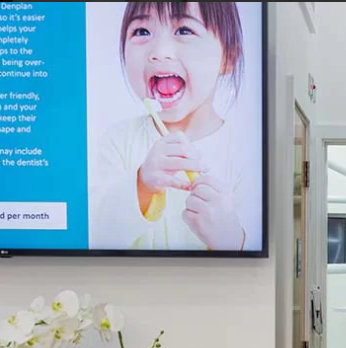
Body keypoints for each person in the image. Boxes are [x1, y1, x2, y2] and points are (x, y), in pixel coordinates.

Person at [90, 2, 259, 251]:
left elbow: (255, 249)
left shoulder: (247, 153)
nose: (159, 52)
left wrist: (231, 238)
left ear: (228, 57)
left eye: (184, 30)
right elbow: (93, 234)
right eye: (142, 31)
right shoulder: (118, 140)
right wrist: (141, 186)